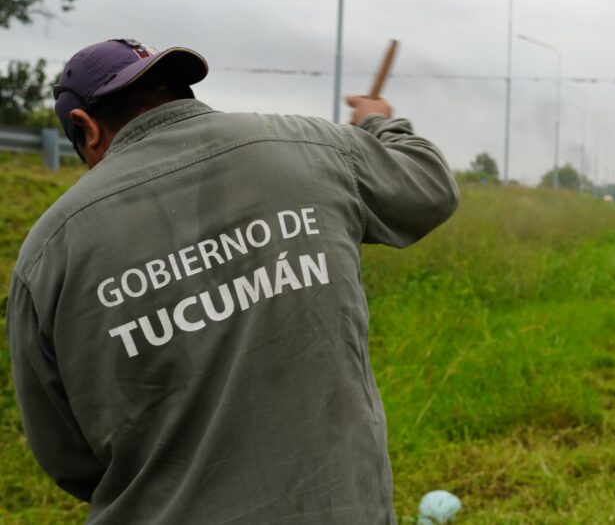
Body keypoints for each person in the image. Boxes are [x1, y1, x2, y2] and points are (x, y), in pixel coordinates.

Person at [7, 39, 460, 524]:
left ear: (84, 127)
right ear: (179, 88)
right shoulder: (311, 149)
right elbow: (429, 183)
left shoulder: (47, 253)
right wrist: (375, 120)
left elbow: (68, 458)